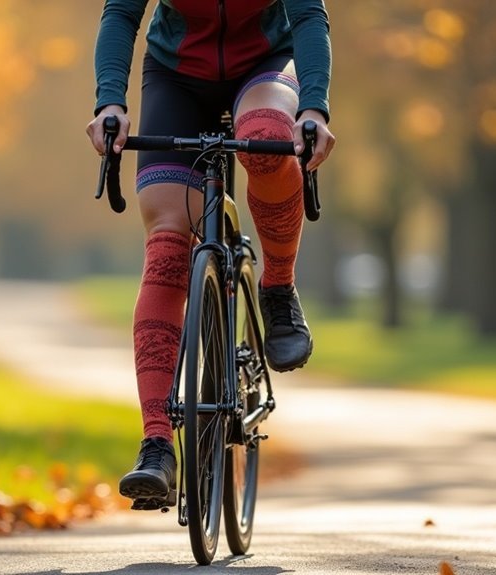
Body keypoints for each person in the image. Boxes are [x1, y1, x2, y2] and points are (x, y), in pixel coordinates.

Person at [86, 0, 335, 511]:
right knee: (167, 249)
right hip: (175, 75)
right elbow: (120, 13)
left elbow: (309, 17)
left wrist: (313, 107)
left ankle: (278, 289)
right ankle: (157, 445)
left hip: (267, 64)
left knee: (265, 138)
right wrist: (109, 101)